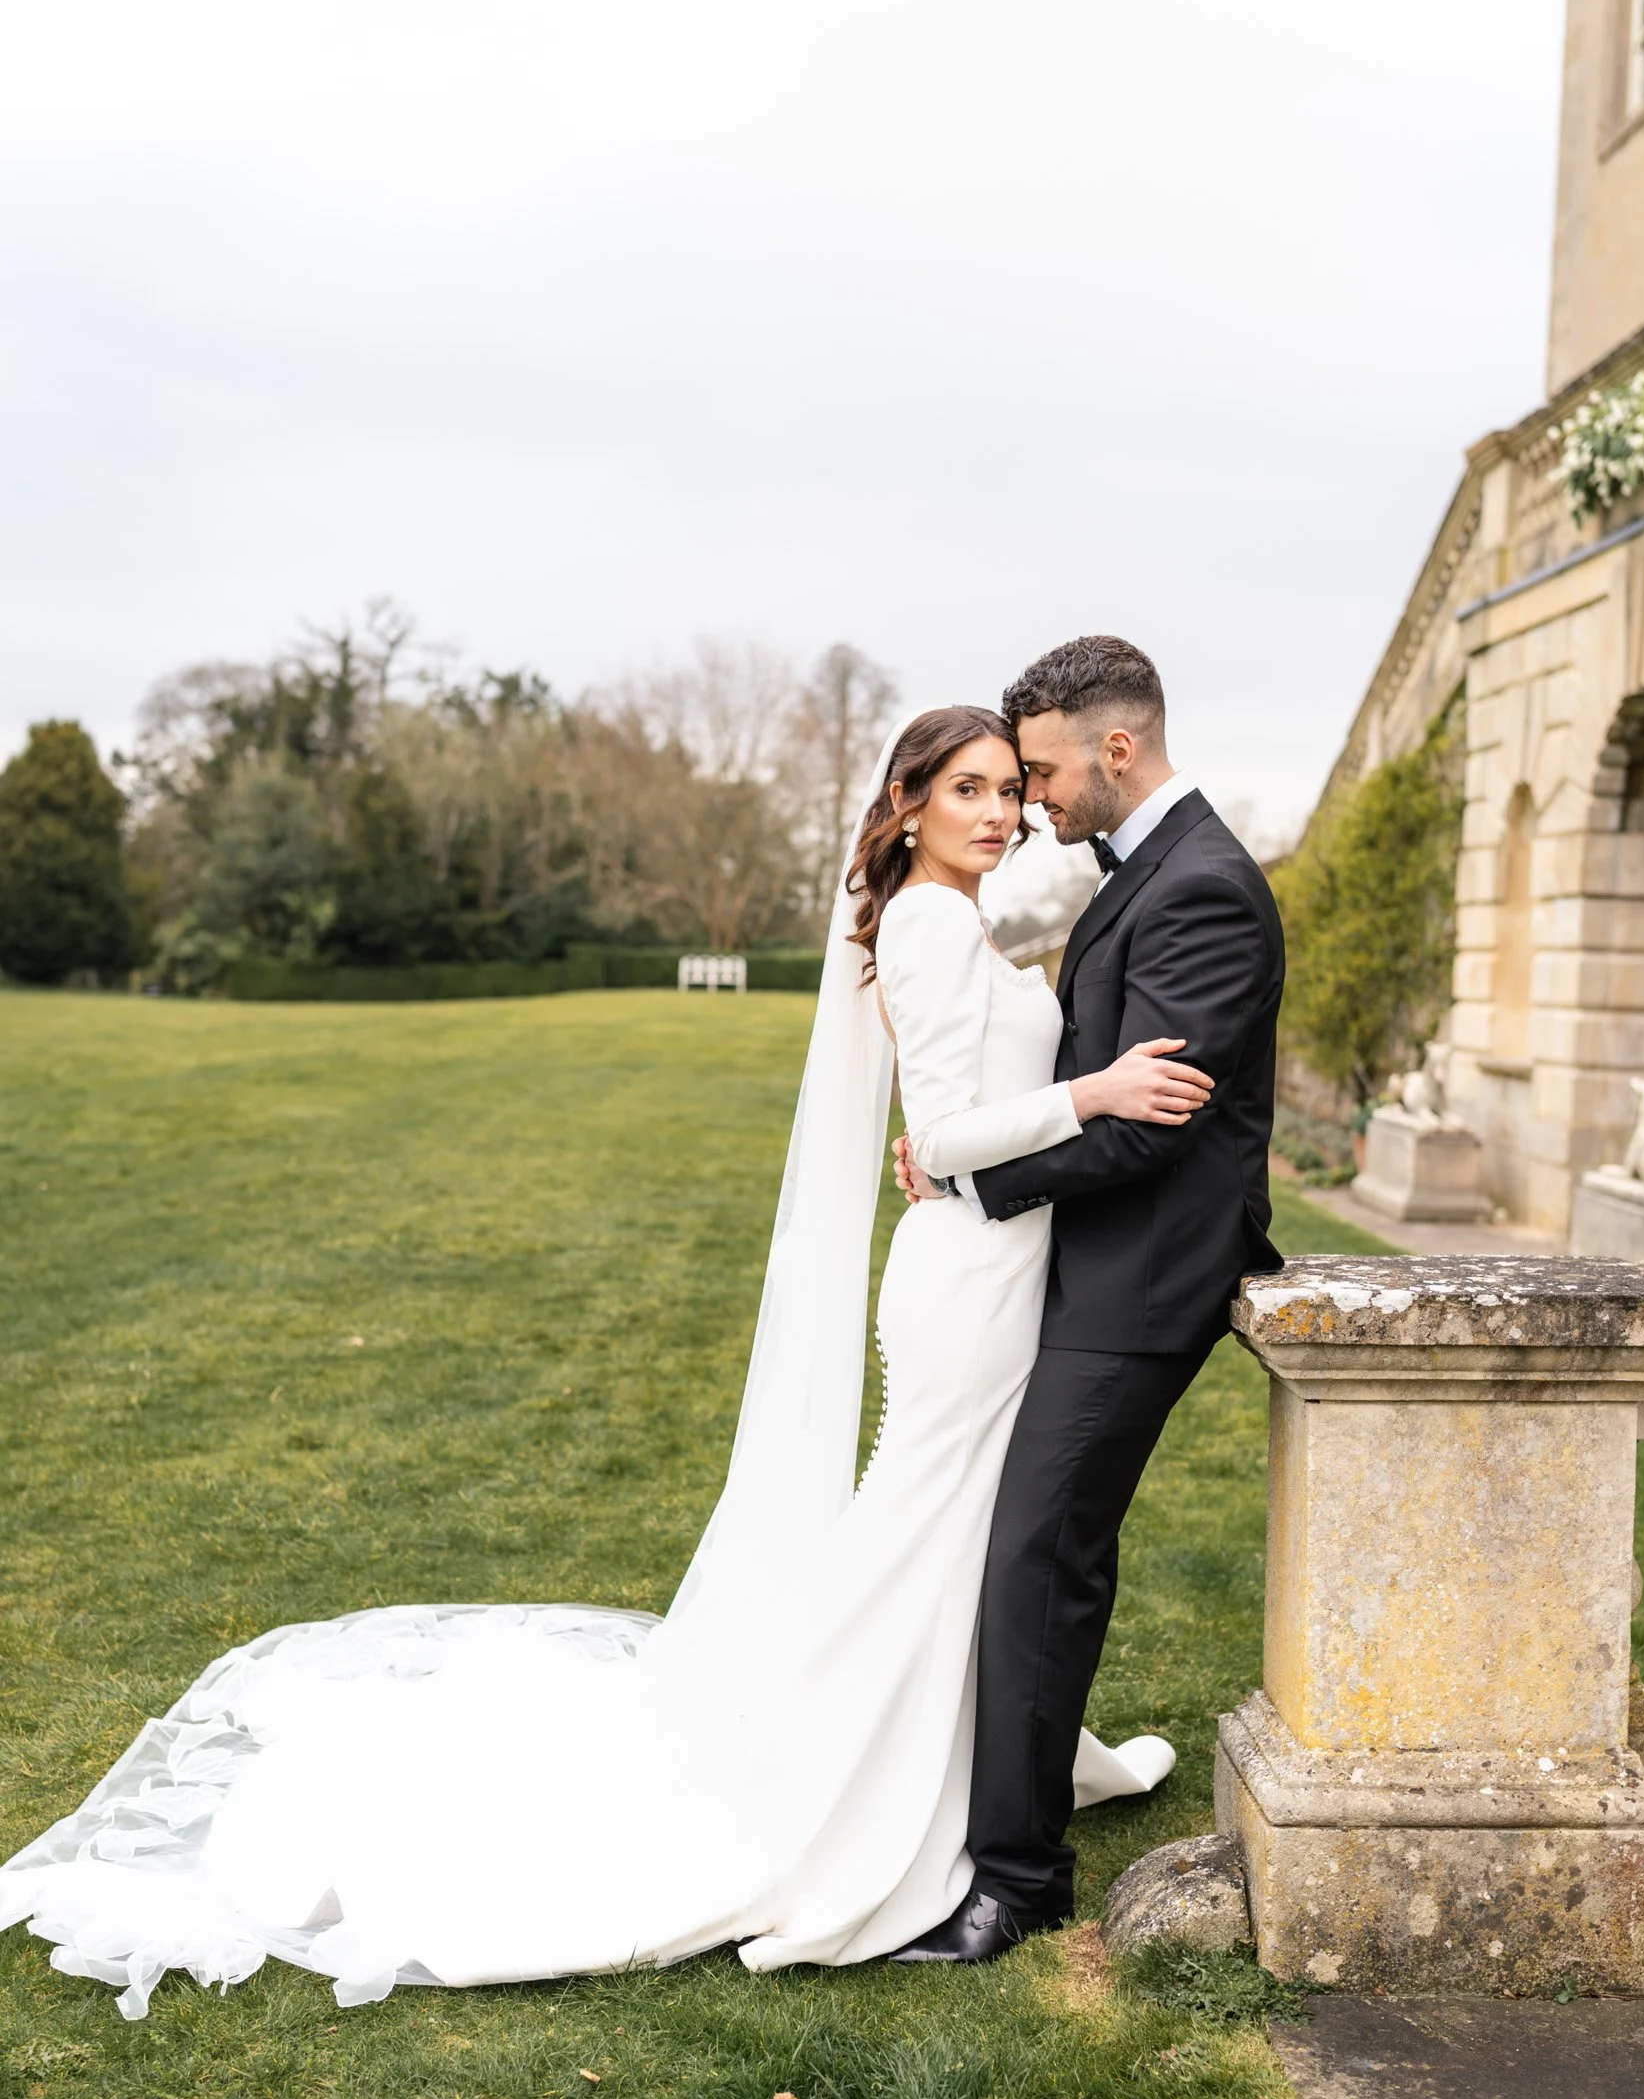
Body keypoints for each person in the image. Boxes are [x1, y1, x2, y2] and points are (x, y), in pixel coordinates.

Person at [0, 700, 1210, 2018]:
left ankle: (997, 1766)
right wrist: (1093, 1096)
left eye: (1002, 792)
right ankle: (853, 1785)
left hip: (985, 1268)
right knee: (926, 1540)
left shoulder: (951, 917)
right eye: (965, 789)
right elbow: (952, 1131)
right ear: (906, 805)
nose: (992, 812)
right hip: (965, 1287)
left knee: (958, 1539)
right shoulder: (922, 922)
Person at [888, 637, 1284, 1966]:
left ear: (1118, 748)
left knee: (1036, 1555)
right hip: (1091, 1258)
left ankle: (1016, 1877)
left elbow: (1151, 1125)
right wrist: (974, 1143)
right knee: (1038, 1552)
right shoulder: (1148, 872)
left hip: (1143, 1275)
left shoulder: (1206, 889)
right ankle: (1009, 1819)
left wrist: (978, 1185)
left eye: (1045, 770)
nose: (1034, 800)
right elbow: (1088, 1081)